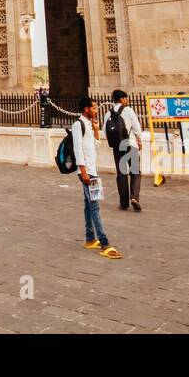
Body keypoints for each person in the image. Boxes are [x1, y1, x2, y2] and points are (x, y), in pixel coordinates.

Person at [72, 97, 121, 258]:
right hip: (87, 172)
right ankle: (105, 242)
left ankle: (90, 238)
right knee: (95, 206)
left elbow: (96, 145)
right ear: (86, 109)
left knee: (88, 205)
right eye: (93, 107)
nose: (96, 109)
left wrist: (95, 129)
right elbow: (78, 150)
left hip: (92, 169)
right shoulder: (78, 125)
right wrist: (83, 171)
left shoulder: (87, 125)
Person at [106, 89, 143, 211]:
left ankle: (123, 202)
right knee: (135, 171)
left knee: (121, 174)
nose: (127, 101)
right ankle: (134, 197)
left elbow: (105, 131)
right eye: (126, 99)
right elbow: (137, 128)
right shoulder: (128, 110)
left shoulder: (108, 113)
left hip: (117, 147)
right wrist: (139, 140)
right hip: (130, 144)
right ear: (122, 99)